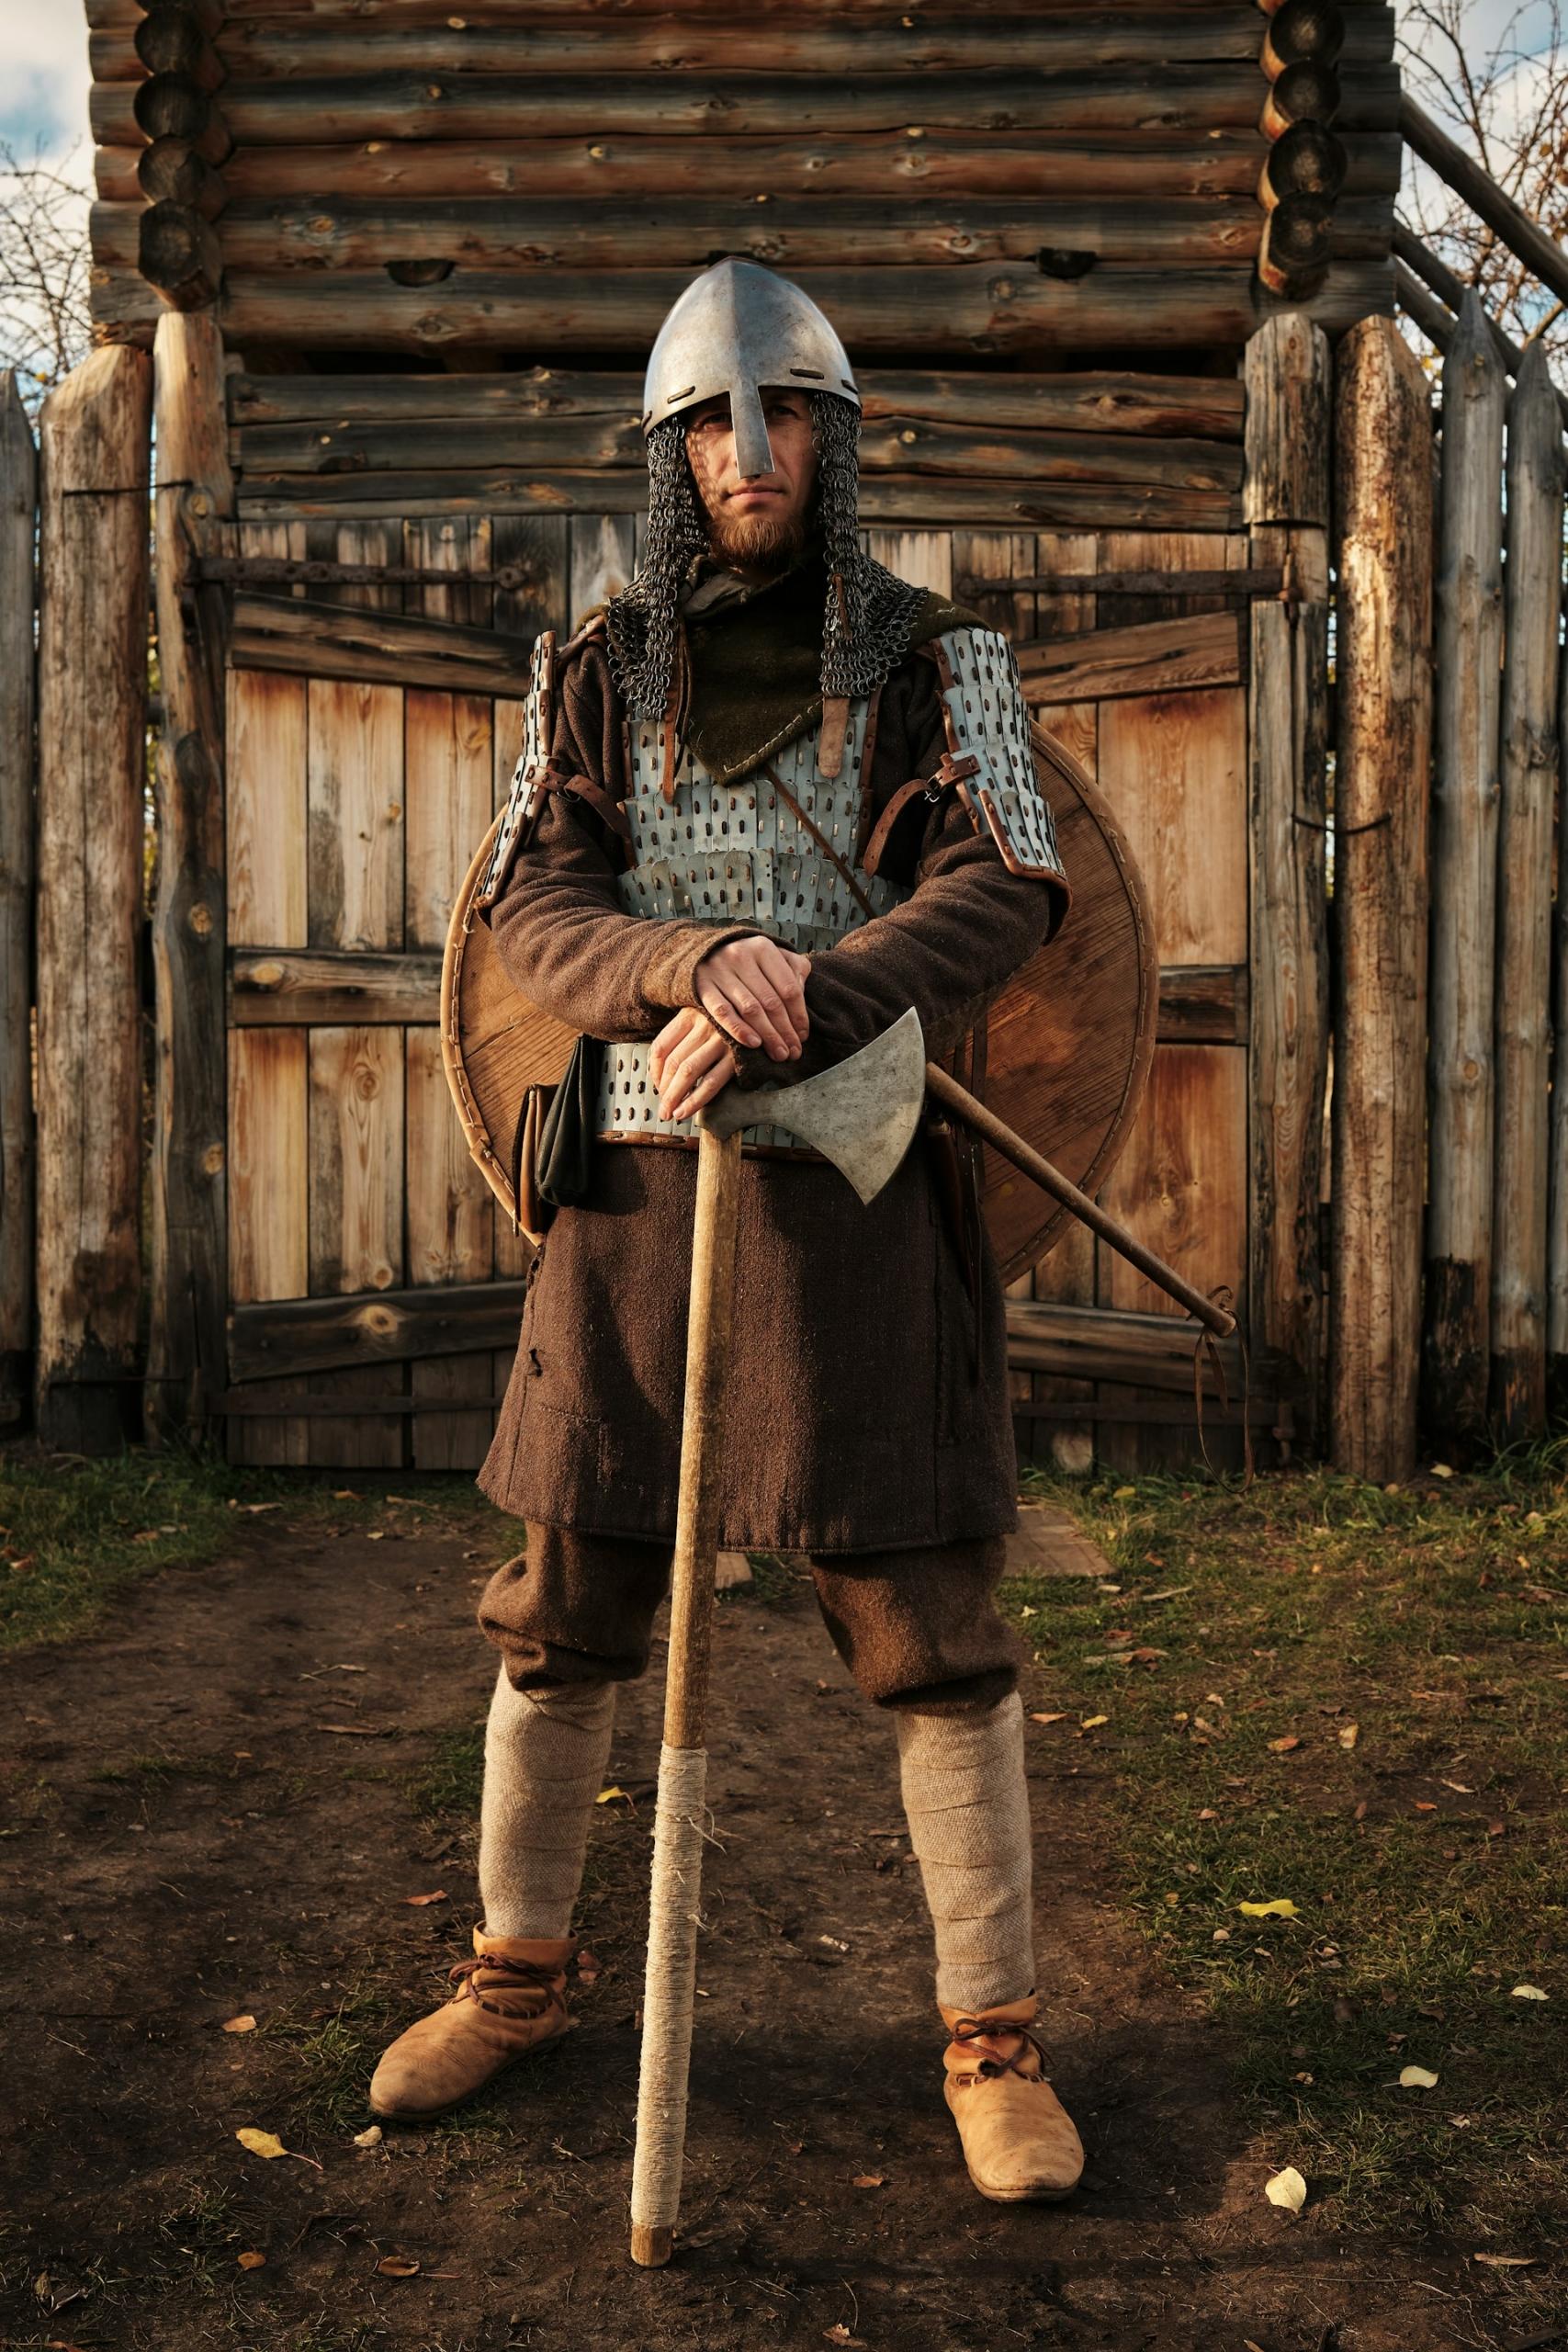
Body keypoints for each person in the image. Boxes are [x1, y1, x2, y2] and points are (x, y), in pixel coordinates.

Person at [369, 260, 1084, 2204]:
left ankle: (992, 2039)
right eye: (707, 420)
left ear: (836, 440)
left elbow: (1006, 885)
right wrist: (689, 960)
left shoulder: (940, 658)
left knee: (927, 1619)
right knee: (562, 1599)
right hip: (630, 1198)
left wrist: (812, 989)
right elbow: (532, 904)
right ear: (670, 453)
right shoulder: (595, 667)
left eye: (781, 417)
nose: (746, 450)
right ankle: (513, 1975)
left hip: (858, 1197)